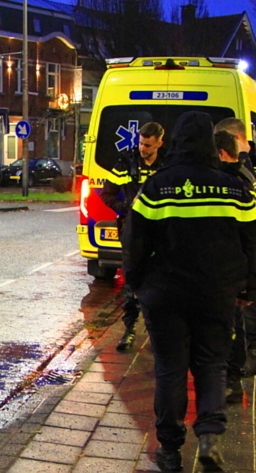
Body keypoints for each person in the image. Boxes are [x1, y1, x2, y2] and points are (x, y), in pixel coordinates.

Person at [125, 111, 256, 473]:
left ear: (176, 143)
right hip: (216, 293)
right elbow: (252, 240)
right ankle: (210, 436)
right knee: (211, 365)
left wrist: (137, 284)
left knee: (170, 369)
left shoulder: (157, 186)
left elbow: (134, 239)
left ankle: (170, 450)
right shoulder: (234, 188)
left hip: (165, 293)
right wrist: (249, 285)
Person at [213, 117, 256, 377]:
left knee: (250, 295)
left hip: (248, 236)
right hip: (237, 236)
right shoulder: (247, 164)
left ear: (236, 139)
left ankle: (252, 351)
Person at [101, 121, 166, 352]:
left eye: (148, 145)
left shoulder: (167, 165)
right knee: (131, 282)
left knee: (159, 282)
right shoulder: (125, 164)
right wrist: (123, 206)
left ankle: (157, 332)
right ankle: (129, 329)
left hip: (160, 233)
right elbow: (106, 194)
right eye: (141, 143)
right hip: (132, 231)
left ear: (160, 143)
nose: (143, 149)